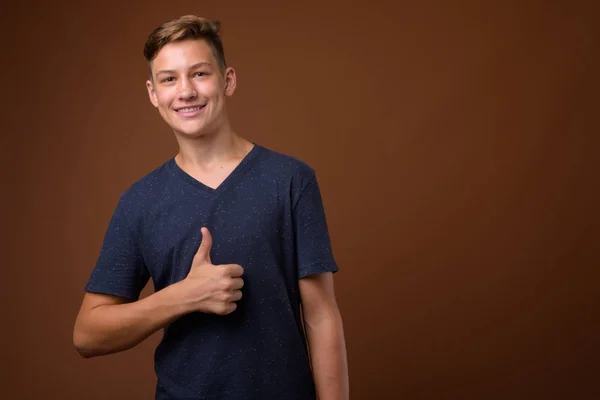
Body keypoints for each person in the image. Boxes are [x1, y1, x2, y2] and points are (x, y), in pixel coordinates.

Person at [73, 14, 349, 400]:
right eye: (169, 79)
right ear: (154, 94)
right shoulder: (139, 202)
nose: (185, 91)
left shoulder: (290, 180)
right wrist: (184, 296)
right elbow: (87, 334)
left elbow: (321, 317)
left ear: (227, 80)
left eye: (199, 74)